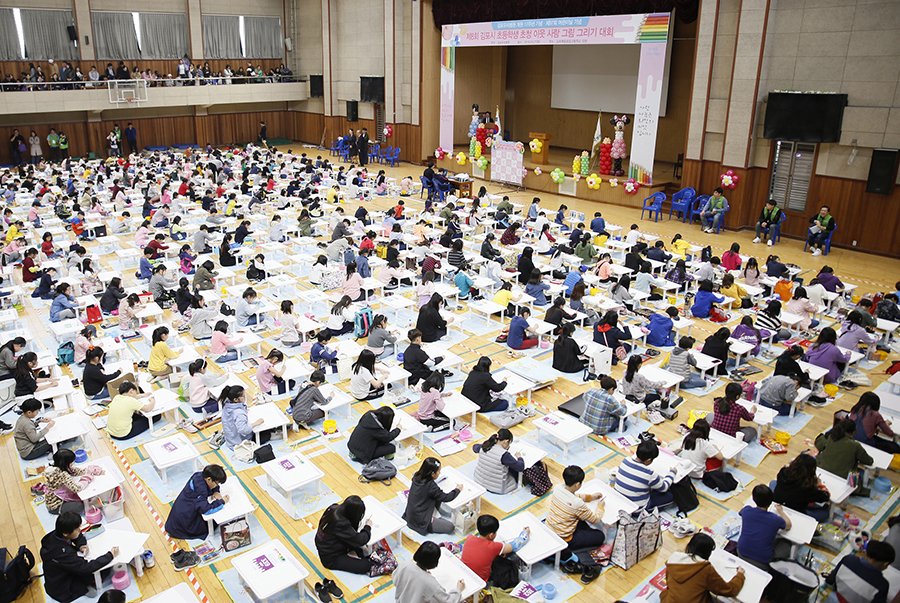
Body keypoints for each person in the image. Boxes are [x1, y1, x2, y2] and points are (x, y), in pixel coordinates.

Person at [40, 511, 119, 603]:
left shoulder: (56, 534)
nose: (79, 530)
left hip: (60, 575)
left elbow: (77, 536)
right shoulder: (62, 553)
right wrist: (110, 555)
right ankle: (83, 589)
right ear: (65, 533)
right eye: (77, 529)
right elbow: (86, 567)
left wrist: (81, 545)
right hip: (63, 588)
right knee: (105, 570)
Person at [547, 465, 603, 584]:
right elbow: (595, 519)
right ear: (578, 484)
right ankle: (574, 552)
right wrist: (600, 507)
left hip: (550, 529)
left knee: (581, 521)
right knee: (600, 536)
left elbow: (571, 496)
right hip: (565, 538)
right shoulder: (577, 503)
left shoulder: (557, 488)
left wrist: (590, 497)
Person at [660, 533, 745, 603]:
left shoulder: (673, 561)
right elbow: (729, 590)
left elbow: (669, 586)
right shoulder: (705, 569)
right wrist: (740, 575)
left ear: (689, 545)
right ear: (707, 553)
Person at [165, 464, 228, 541]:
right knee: (210, 525)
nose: (216, 485)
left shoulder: (199, 475)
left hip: (178, 511)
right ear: (209, 480)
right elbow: (206, 510)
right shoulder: (201, 490)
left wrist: (215, 491)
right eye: (216, 483)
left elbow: (211, 487)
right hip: (184, 522)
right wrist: (222, 502)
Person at [461, 514, 530, 584]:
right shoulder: (494, 547)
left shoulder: (469, 538)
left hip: (464, 573)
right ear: (491, 535)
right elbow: (515, 546)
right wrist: (525, 533)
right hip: (480, 581)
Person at [315, 496, 375, 575]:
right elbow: (360, 540)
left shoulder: (334, 507)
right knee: (366, 565)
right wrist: (368, 527)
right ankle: (349, 554)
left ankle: (350, 553)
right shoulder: (341, 523)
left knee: (360, 551)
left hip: (326, 546)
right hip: (330, 558)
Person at [737, 484, 793, 568]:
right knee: (787, 544)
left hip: (741, 552)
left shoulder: (747, 510)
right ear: (770, 501)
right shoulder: (774, 519)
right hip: (764, 562)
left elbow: (740, 513)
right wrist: (780, 511)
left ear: (753, 499)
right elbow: (788, 525)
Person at [403, 457, 461, 535]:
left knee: (436, 496)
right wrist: (458, 489)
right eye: (438, 472)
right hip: (421, 520)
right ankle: (432, 520)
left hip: (410, 515)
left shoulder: (416, 476)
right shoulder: (431, 486)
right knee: (450, 527)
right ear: (432, 474)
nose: (439, 473)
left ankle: (435, 515)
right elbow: (447, 497)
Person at [825, 539, 894, 603]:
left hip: (838, 597)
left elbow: (830, 580)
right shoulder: (882, 585)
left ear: (866, 552)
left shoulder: (848, 559)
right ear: (886, 564)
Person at [394, 541, 464, 603]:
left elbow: (395, 579)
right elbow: (449, 601)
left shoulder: (406, 565)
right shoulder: (431, 584)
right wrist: (458, 590)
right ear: (434, 563)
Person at [615, 438, 676, 510]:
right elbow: (664, 488)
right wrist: (672, 473)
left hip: (619, 500)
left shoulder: (626, 460)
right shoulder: (649, 473)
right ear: (649, 460)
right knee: (669, 496)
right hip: (637, 509)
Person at [773, 453, 830, 521]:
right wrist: (820, 485)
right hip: (794, 513)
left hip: (778, 504)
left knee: (773, 483)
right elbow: (826, 496)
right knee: (825, 513)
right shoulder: (808, 486)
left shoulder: (783, 472)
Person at [815, 417, 874, 482]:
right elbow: (869, 461)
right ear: (854, 432)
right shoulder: (855, 445)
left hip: (822, 470)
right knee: (861, 473)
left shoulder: (831, 438)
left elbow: (819, 443)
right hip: (844, 478)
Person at [472, 429, 525, 495]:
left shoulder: (485, 446)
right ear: (506, 441)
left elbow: (474, 447)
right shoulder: (504, 455)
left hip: (479, 481)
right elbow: (520, 467)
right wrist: (519, 457)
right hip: (498, 488)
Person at [221, 385, 272, 449]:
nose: (245, 397)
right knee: (265, 433)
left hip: (230, 440)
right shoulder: (239, 413)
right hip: (239, 443)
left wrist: (243, 410)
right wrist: (256, 423)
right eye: (243, 396)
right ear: (236, 399)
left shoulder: (226, 406)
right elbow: (243, 429)